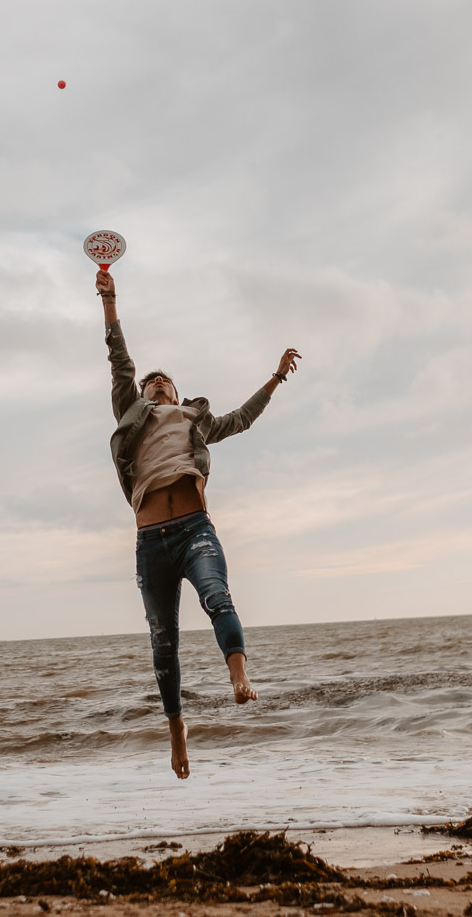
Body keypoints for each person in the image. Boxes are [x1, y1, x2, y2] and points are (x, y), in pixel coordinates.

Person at [96, 268, 300, 779]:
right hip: (150, 542)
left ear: (178, 393)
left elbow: (244, 418)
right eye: (150, 381)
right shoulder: (131, 411)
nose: (156, 381)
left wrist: (274, 378)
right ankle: (176, 728)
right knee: (162, 641)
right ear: (140, 394)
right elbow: (120, 358)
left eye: (165, 379)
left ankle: (239, 678)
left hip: (194, 530)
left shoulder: (195, 420)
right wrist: (110, 301)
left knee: (217, 595)